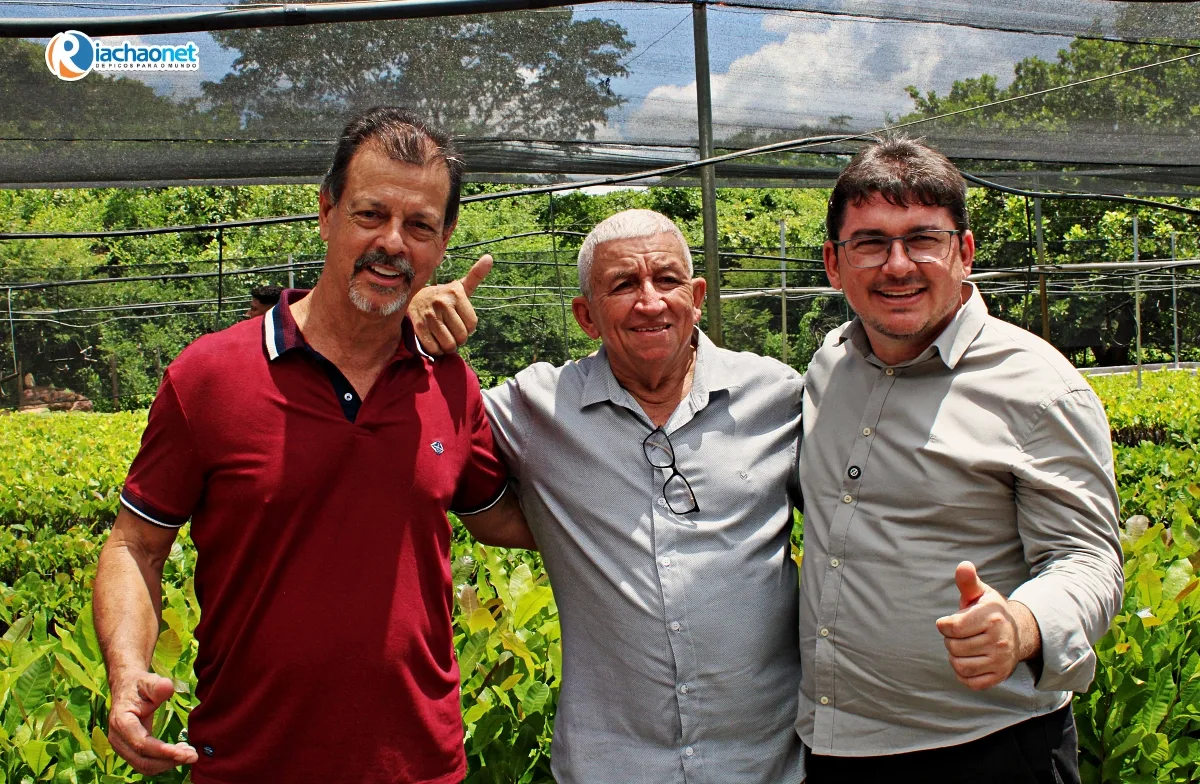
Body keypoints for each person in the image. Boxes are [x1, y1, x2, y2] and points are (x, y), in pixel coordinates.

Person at [93, 107, 534, 784]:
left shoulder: (450, 383)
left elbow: (503, 518)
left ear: (444, 241)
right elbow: (136, 546)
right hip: (249, 765)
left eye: (419, 226)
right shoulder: (209, 376)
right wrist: (127, 673)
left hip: (420, 766)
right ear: (326, 212)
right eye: (370, 214)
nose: (392, 242)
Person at [410, 209, 806, 783]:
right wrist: (407, 331)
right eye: (623, 285)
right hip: (611, 764)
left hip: (767, 762)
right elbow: (419, 423)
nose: (650, 302)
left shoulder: (777, 396)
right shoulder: (537, 409)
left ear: (697, 297)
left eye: (667, 280)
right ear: (586, 316)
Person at [797, 136, 1122, 782]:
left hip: (988, 750)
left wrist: (1023, 623)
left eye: (924, 239)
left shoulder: (1038, 388)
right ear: (834, 263)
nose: (897, 265)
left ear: (964, 252)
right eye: (870, 243)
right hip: (832, 746)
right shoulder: (828, 368)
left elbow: (1089, 560)